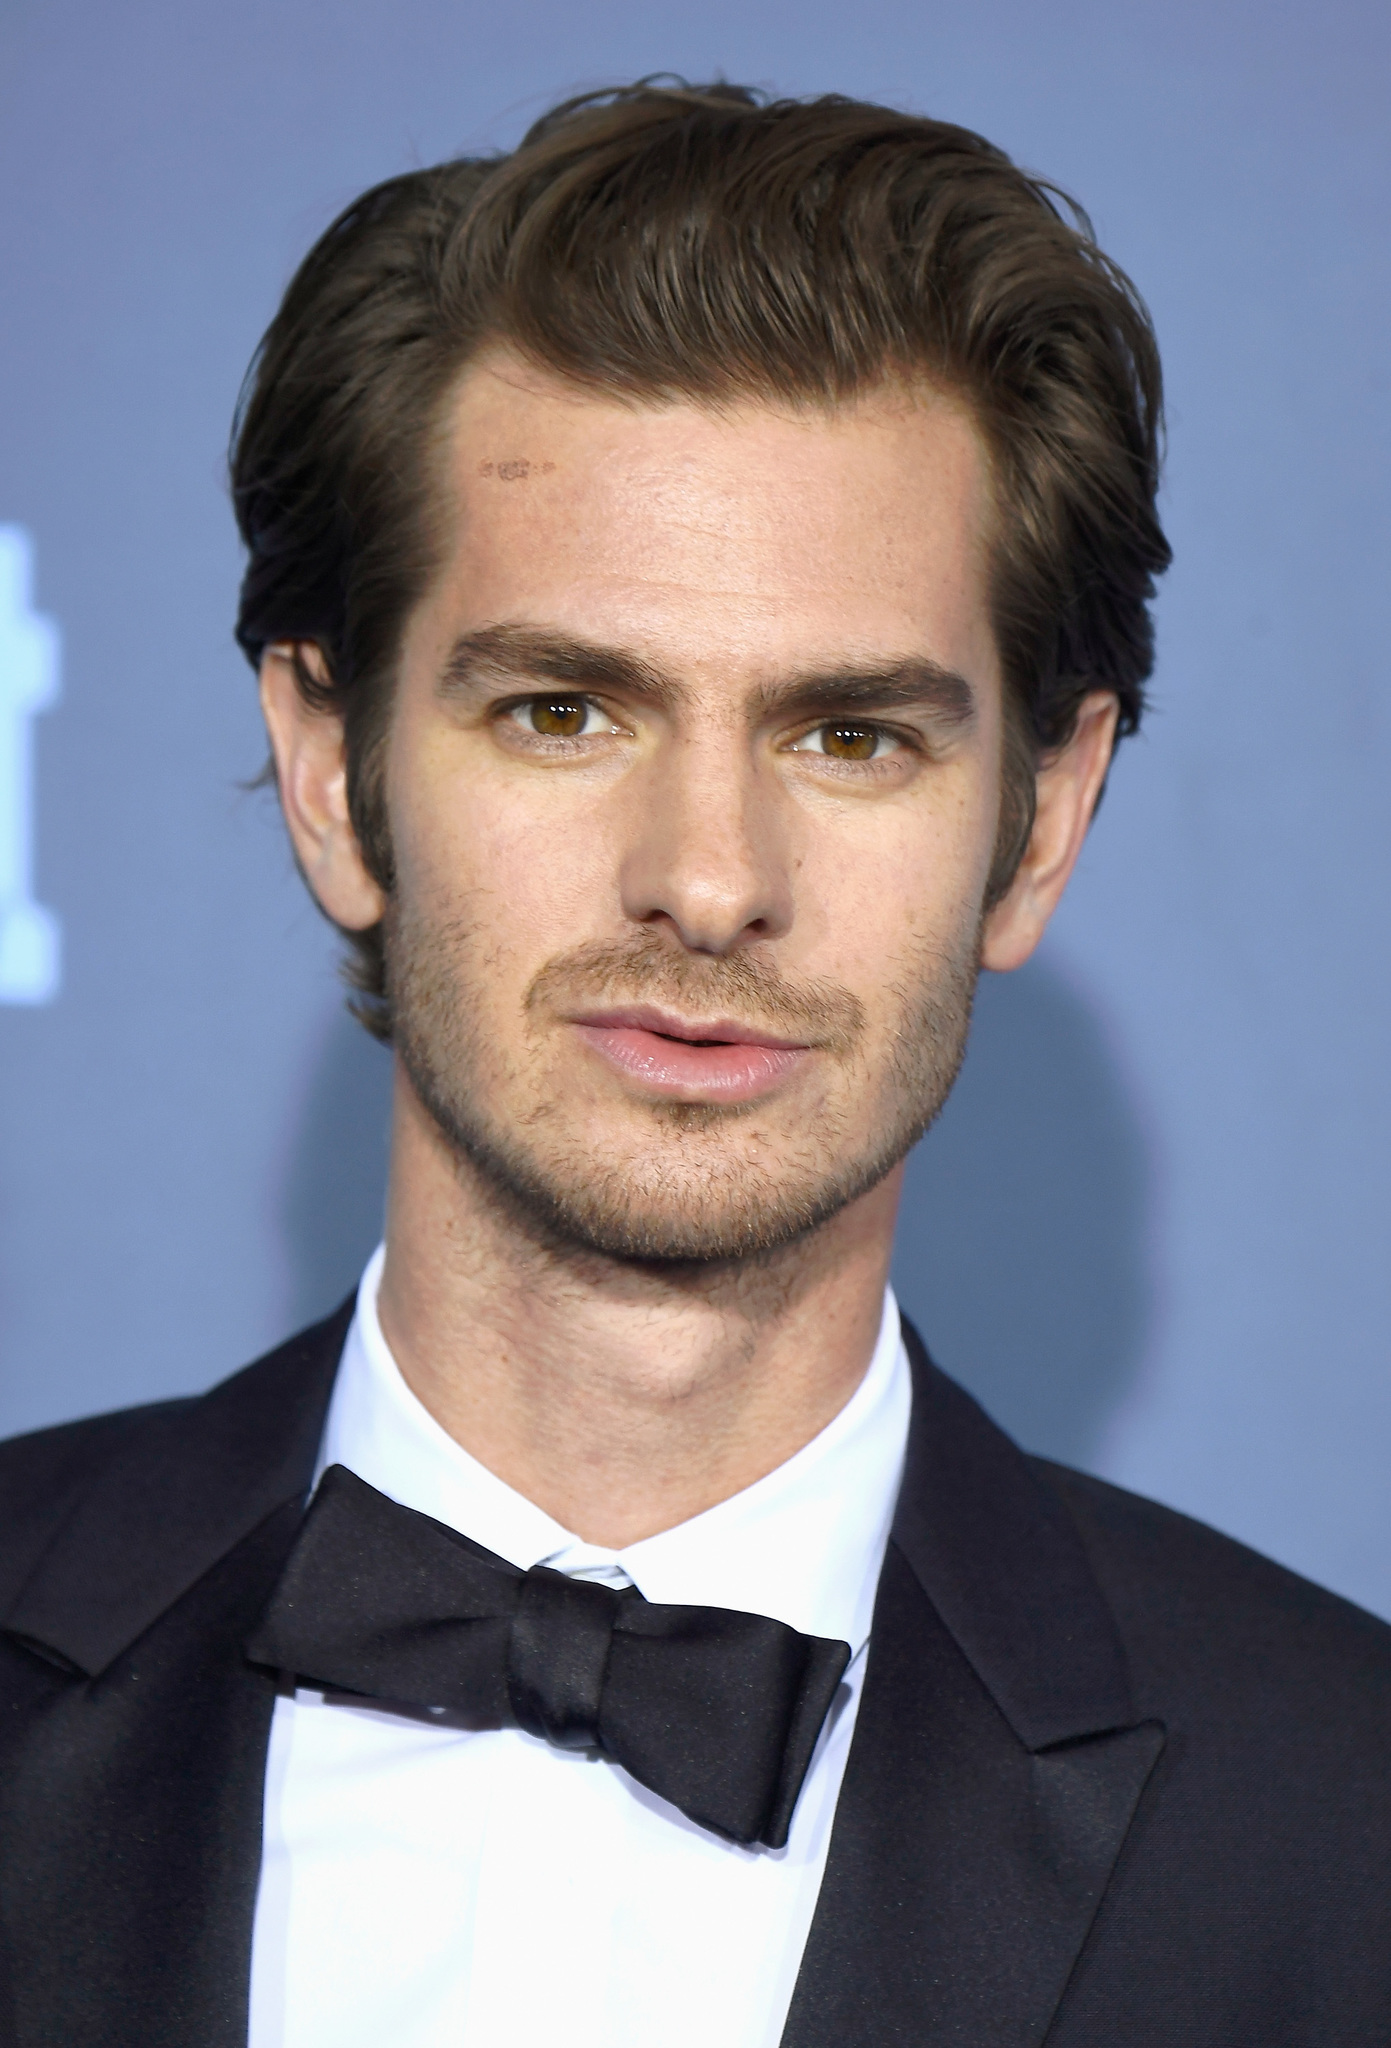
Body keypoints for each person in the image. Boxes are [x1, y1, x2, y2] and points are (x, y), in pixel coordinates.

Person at [1, 80, 1387, 2048]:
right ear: (332, 772)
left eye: (852, 736)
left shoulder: (1339, 1829)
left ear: (1045, 818)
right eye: (564, 712)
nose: (713, 880)